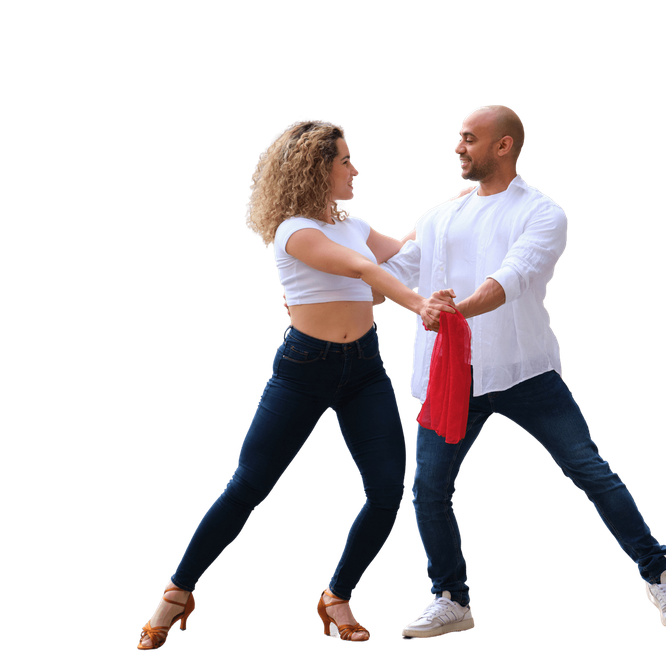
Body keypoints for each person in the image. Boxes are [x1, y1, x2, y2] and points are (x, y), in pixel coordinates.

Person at [134, 118, 456, 650]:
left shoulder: (353, 222)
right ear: (316, 169)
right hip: (305, 368)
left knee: (385, 492)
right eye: (345, 161)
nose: (355, 169)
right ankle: (177, 592)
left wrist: (448, 219)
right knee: (248, 487)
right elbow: (362, 269)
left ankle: (336, 596)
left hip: (365, 368)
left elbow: (403, 257)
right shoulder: (293, 229)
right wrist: (416, 303)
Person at [378, 104, 666, 637]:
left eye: (470, 139)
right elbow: (397, 271)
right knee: (428, 490)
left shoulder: (542, 213)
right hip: (451, 378)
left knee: (591, 471)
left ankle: (659, 573)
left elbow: (511, 279)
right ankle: (451, 598)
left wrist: (455, 310)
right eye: (459, 138)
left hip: (523, 372)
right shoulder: (437, 216)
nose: (459, 147)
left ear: (504, 145)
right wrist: (337, 251)